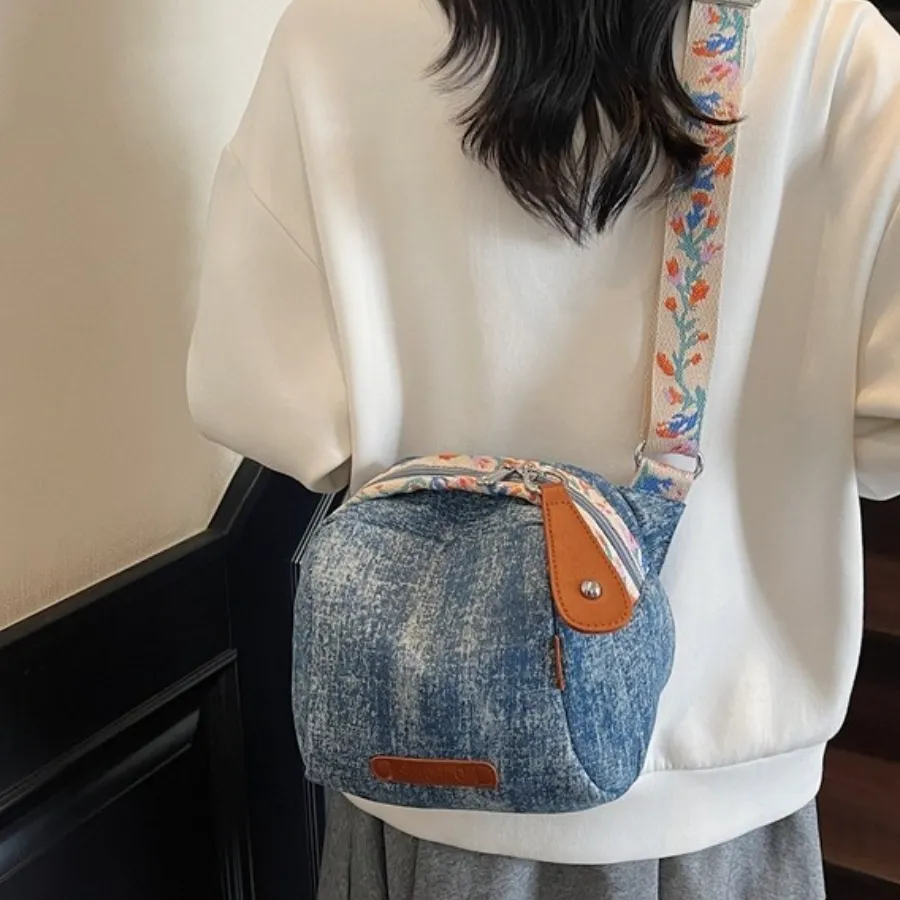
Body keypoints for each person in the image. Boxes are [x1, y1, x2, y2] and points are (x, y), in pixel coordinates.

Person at [186, 0, 900, 897]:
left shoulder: (330, 35)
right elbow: (883, 447)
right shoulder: (835, 46)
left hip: (427, 779)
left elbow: (266, 406)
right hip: (721, 809)